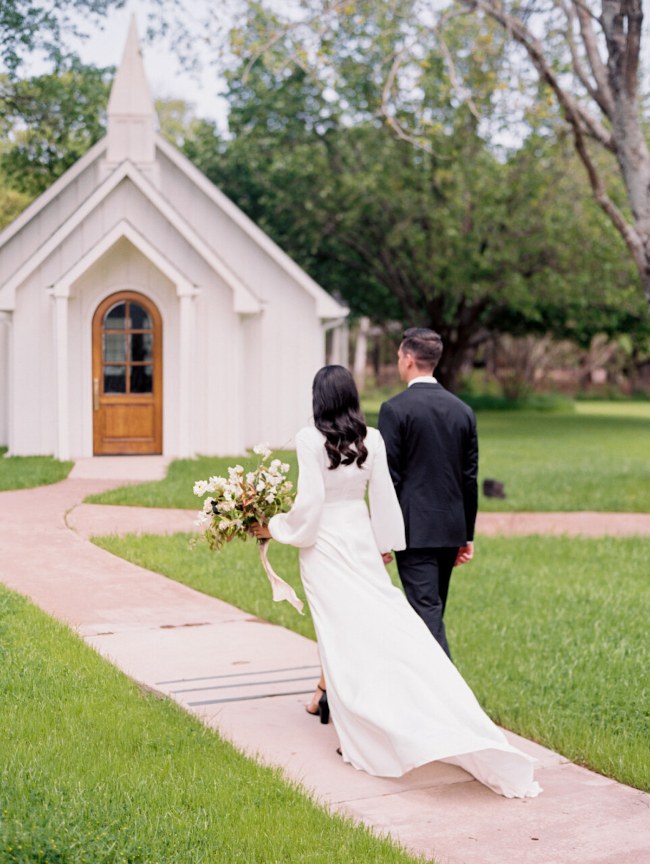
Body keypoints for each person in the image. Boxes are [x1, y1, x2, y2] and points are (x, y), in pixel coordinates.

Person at [251, 366, 540, 799]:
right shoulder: (372, 437)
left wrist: (273, 526)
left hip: (326, 545)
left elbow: (309, 506)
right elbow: (383, 495)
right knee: (376, 623)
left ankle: (361, 719)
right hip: (361, 538)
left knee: (339, 630)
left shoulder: (310, 439)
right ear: (352, 396)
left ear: (318, 399)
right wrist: (386, 543)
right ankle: (335, 699)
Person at [378, 328, 478, 658]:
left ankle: (450, 704)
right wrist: (467, 534)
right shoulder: (463, 411)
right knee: (431, 613)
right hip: (450, 530)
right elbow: (469, 479)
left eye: (397, 357)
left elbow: (388, 479)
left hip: (414, 533)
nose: (397, 362)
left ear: (408, 359)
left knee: (427, 618)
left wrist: (383, 537)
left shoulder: (394, 409)